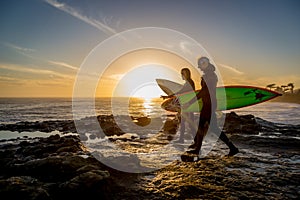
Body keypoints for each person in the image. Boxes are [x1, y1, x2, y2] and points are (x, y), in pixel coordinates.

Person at [186, 57, 239, 156]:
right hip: (208, 103)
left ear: (205, 64)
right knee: (210, 127)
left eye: (201, 65)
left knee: (206, 127)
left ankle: (198, 149)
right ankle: (232, 148)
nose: (200, 68)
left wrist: (190, 102)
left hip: (209, 104)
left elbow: (204, 91)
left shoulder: (210, 76)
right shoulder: (209, 75)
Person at [162, 68, 196, 143]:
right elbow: (179, 92)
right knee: (183, 122)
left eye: (183, 74)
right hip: (186, 105)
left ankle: (194, 141)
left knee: (190, 124)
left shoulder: (190, 82)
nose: (182, 75)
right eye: (181, 73)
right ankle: (182, 139)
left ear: (187, 74)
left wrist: (169, 96)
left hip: (189, 106)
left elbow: (181, 92)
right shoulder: (187, 82)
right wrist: (168, 97)